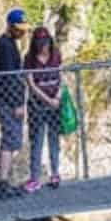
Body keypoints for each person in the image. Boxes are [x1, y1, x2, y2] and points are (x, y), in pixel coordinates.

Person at [0, 8, 29, 199]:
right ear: (10, 26)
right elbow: (10, 78)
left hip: (5, 99)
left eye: (24, 28)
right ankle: (2, 183)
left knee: (11, 140)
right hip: (7, 101)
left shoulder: (8, 43)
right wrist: (17, 104)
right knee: (10, 139)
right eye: (19, 28)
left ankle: (3, 182)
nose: (23, 32)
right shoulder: (5, 45)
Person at [23, 25, 64, 193]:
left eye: (45, 43)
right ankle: (35, 178)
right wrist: (48, 100)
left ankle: (55, 174)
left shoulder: (56, 55)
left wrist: (58, 97)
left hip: (55, 103)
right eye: (40, 44)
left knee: (54, 139)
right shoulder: (29, 59)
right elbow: (31, 84)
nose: (43, 47)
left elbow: (61, 77)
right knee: (37, 141)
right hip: (37, 105)